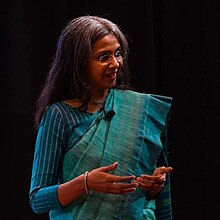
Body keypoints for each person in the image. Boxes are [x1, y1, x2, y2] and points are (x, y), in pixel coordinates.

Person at [29, 15, 173, 220]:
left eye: (118, 54)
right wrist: (86, 183)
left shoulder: (139, 111)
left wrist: (153, 186)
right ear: (78, 63)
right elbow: (37, 199)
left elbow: (149, 190)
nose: (116, 64)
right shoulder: (60, 115)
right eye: (104, 57)